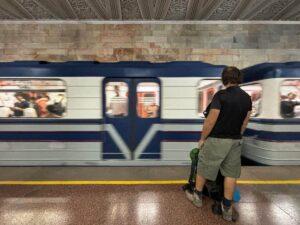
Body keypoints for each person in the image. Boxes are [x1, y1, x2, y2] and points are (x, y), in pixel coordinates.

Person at [186, 67, 252, 222]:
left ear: (224, 79)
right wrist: (237, 135)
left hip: (217, 140)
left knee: (204, 166)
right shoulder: (246, 98)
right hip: (235, 141)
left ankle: (197, 196)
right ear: (238, 78)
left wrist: (202, 139)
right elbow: (245, 122)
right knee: (230, 173)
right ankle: (227, 207)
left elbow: (210, 120)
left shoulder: (221, 96)